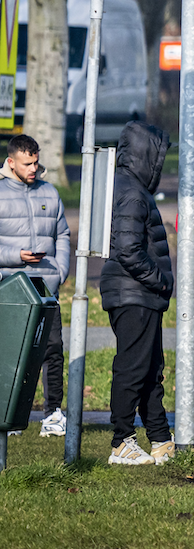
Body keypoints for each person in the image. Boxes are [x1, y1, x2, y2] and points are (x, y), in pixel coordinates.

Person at [100, 122, 175, 465]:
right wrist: (159, 280)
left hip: (139, 294)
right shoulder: (131, 192)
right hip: (135, 293)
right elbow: (129, 250)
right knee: (132, 368)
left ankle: (160, 439)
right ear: (147, 155)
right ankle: (121, 442)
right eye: (159, 156)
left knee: (149, 368)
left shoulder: (131, 188)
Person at [0, 134, 70, 438]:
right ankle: (9, 412)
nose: (33, 168)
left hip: (45, 286)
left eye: (36, 162)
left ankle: (53, 413)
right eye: (27, 163)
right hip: (11, 285)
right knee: (12, 352)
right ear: (11, 162)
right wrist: (15, 256)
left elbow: (63, 234)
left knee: (52, 349)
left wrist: (61, 269)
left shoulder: (50, 192)